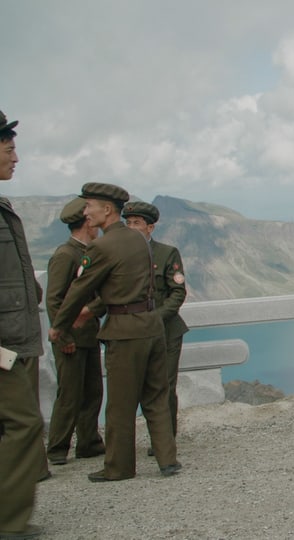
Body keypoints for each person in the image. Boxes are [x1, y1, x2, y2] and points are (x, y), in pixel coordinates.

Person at [48, 182, 181, 482]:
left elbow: (80, 290)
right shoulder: (139, 241)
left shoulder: (101, 246)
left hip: (124, 331)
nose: (86, 212)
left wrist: (59, 327)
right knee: (157, 396)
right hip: (152, 326)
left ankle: (119, 467)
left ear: (107, 210)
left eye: (89, 206)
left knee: (120, 403)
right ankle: (167, 459)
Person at [0, 110, 45, 539]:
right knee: (24, 425)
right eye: (10, 149)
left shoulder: (2, 206)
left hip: (15, 339)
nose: (17, 158)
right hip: (2, 349)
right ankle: (7, 524)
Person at [122, 201, 189, 449]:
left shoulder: (166, 253)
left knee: (165, 385)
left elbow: (177, 292)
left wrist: (156, 318)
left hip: (166, 332)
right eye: (127, 223)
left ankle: (165, 440)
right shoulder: (120, 255)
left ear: (150, 227)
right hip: (134, 333)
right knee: (137, 387)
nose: (131, 228)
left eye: (136, 223)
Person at [45, 197, 106, 467]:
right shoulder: (65, 255)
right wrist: (64, 336)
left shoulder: (88, 252)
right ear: (85, 223)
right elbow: (55, 300)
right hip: (71, 338)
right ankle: (58, 448)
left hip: (90, 335)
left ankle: (89, 442)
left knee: (93, 391)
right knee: (69, 395)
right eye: (92, 221)